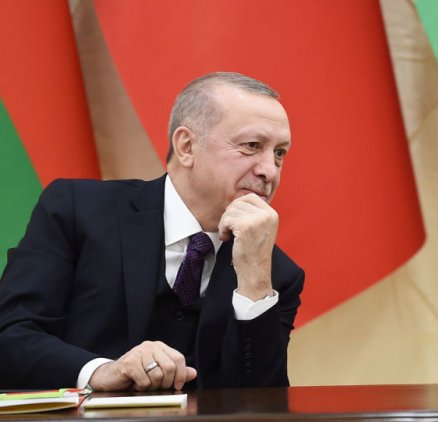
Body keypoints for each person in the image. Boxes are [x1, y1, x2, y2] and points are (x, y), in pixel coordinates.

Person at [0, 72, 304, 391]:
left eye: (279, 153)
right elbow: (10, 337)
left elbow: (264, 401)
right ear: (186, 146)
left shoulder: (276, 275)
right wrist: (100, 371)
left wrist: (254, 280)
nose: (269, 171)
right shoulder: (78, 211)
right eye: (252, 146)